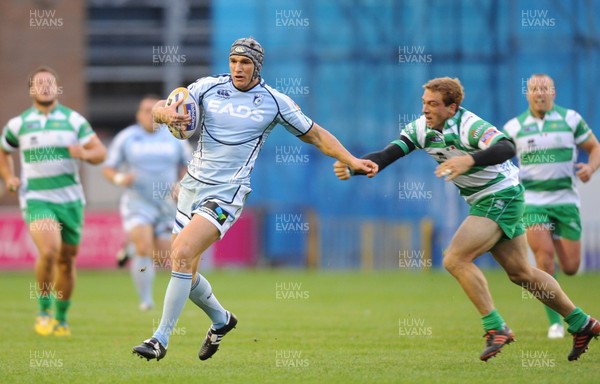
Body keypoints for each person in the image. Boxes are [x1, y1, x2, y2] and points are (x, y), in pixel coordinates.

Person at [132, 37, 377, 361]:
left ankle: (159, 339)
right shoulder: (207, 87)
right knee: (186, 271)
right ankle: (222, 320)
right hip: (191, 188)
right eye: (234, 61)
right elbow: (165, 107)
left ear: (257, 66)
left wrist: (352, 159)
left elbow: (316, 134)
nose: (238, 68)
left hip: (227, 194)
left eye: (245, 62)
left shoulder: (274, 102)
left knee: (182, 253)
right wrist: (166, 116)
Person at [333, 77, 599, 362]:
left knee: (454, 259)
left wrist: (468, 160)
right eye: (424, 103)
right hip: (488, 199)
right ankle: (582, 323)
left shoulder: (469, 124)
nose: (426, 109)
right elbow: (386, 156)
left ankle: (496, 328)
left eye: (433, 104)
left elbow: (507, 147)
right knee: (522, 273)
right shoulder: (421, 129)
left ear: (453, 107)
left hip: (502, 195)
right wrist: (354, 166)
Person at [0, 66, 106, 336]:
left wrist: (82, 152)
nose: (45, 87)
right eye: (39, 83)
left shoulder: (73, 121)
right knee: (49, 251)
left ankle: (60, 319)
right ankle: (43, 310)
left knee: (66, 262)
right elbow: (4, 151)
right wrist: (9, 178)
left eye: (50, 82)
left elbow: (100, 153)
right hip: (36, 198)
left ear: (57, 87)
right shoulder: (19, 123)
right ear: (31, 90)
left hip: (70, 200)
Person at [503, 74, 600, 339]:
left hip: (566, 201)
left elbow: (595, 147)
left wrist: (591, 168)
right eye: (534, 89)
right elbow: (497, 156)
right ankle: (555, 322)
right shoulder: (513, 127)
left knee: (570, 266)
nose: (539, 94)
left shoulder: (571, 119)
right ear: (528, 94)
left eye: (544, 89)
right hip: (533, 202)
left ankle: (555, 237)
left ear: (553, 92)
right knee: (544, 258)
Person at [103, 95, 193, 311]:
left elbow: (189, 166)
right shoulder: (127, 137)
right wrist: (119, 178)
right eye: (145, 110)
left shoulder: (175, 137)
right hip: (138, 201)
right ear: (138, 115)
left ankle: (130, 248)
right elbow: (108, 167)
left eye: (153, 110)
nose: (149, 114)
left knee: (162, 257)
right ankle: (146, 301)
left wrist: (181, 184)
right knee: (145, 246)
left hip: (166, 204)